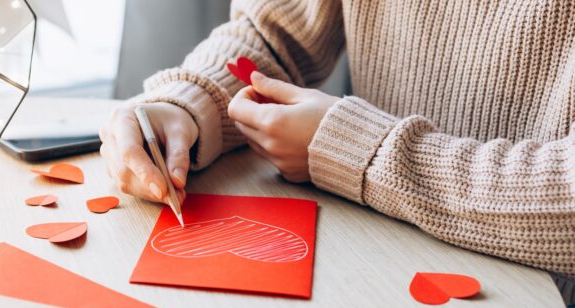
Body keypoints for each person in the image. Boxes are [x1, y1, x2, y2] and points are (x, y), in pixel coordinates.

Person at [99, 1, 574, 281]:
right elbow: (272, 34)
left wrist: (364, 153)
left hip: (541, 307)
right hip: (375, 256)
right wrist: (188, 101)